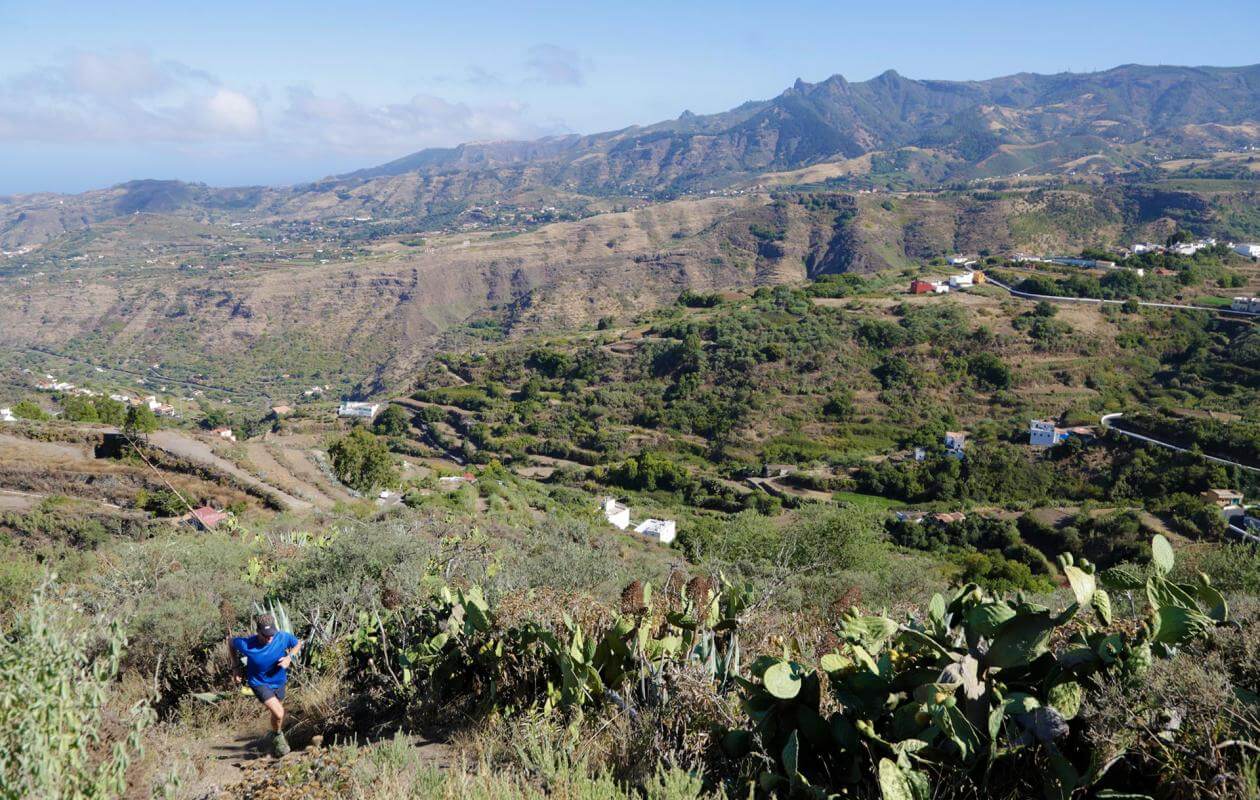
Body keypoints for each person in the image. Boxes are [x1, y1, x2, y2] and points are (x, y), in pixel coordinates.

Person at [230, 614, 302, 756]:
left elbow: (297, 643)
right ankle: (279, 740)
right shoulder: (247, 644)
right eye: (266, 635)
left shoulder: (281, 637)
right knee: (279, 712)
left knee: (276, 715)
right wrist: (235, 666)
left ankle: (274, 735)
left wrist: (289, 657)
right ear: (258, 632)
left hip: (279, 681)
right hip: (259, 683)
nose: (270, 638)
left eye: (271, 634)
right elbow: (231, 642)